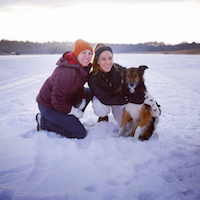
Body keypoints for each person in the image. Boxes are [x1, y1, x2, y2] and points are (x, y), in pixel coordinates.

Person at [36, 39, 93, 139]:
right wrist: (73, 111)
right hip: (48, 106)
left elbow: (79, 86)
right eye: (83, 53)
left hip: (62, 100)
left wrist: (83, 99)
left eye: (90, 53)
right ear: (76, 54)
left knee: (87, 92)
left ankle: (68, 120)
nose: (87, 57)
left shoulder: (83, 67)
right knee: (80, 133)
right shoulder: (66, 72)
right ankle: (43, 121)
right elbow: (56, 101)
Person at [88, 43, 145, 125]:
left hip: (119, 100)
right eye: (103, 59)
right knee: (99, 108)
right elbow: (105, 99)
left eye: (110, 58)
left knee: (127, 125)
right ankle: (103, 116)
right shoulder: (92, 77)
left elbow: (136, 86)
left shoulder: (120, 70)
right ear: (97, 61)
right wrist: (126, 98)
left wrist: (150, 102)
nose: (108, 62)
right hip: (104, 101)